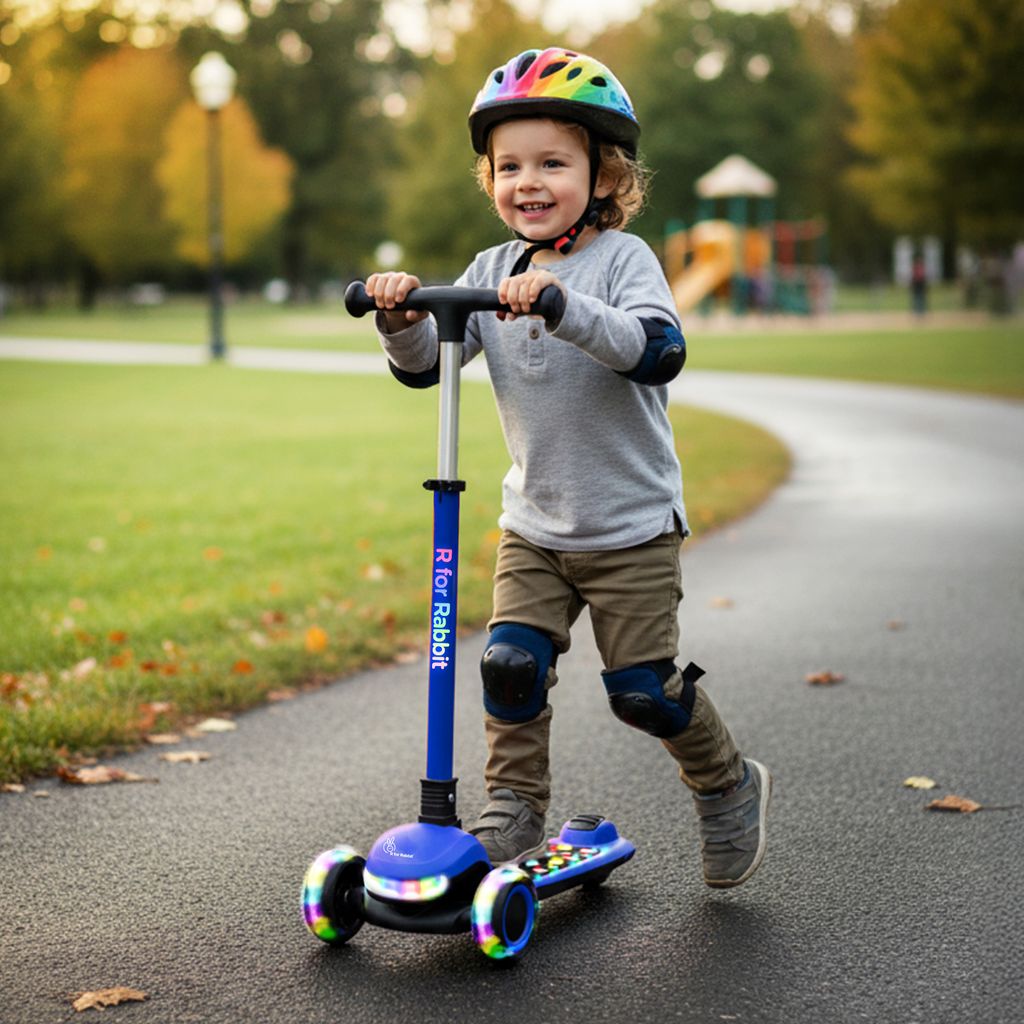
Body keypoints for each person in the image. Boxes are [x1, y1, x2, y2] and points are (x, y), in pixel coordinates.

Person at [367, 47, 771, 889]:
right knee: (509, 663)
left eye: (554, 162)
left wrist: (564, 304)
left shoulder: (624, 262)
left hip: (630, 527)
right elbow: (423, 366)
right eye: (510, 166)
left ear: (604, 172)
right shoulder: (489, 271)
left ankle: (726, 782)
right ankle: (512, 803)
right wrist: (400, 315)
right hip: (537, 526)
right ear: (489, 179)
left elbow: (656, 350)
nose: (530, 182)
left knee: (643, 691)